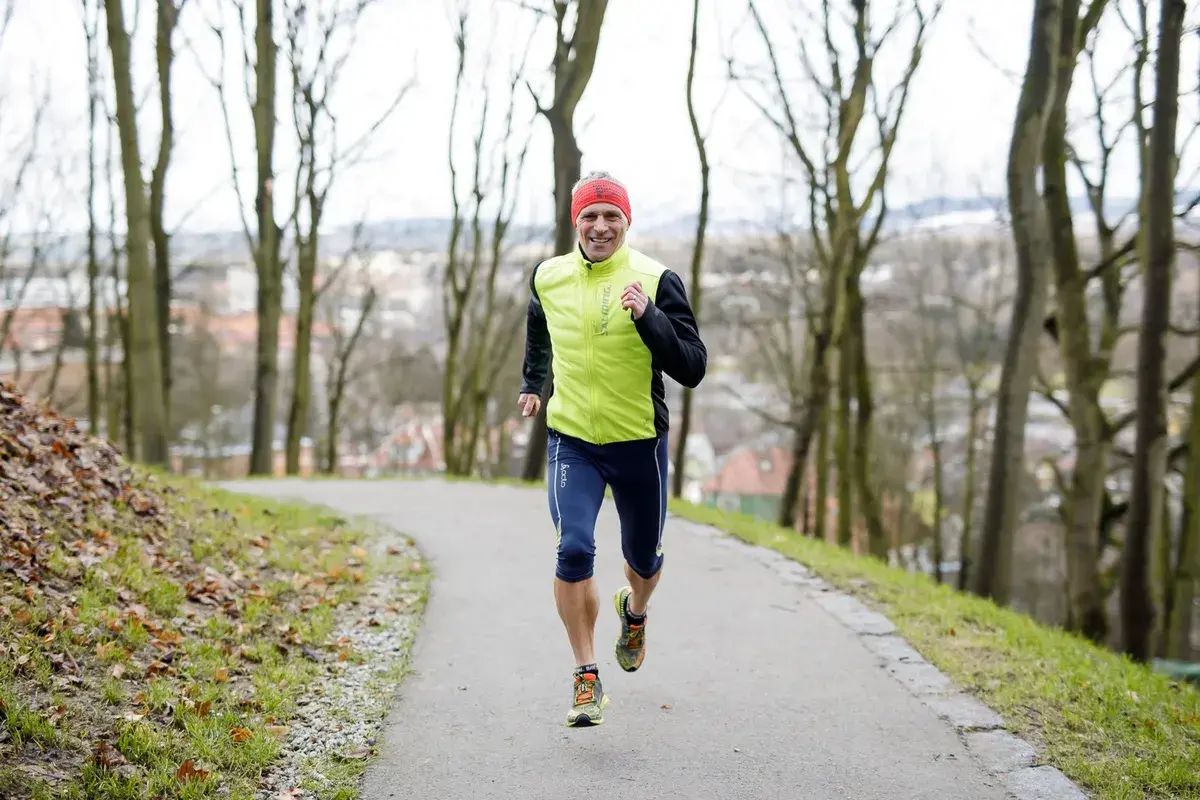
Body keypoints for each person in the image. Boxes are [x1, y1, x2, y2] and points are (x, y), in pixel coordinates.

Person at [518, 170, 707, 727]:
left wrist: (649, 318)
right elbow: (538, 323)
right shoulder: (548, 276)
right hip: (571, 438)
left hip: (638, 443)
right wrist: (534, 382)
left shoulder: (656, 279)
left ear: (627, 221)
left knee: (642, 560)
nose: (600, 226)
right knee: (573, 549)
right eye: (589, 216)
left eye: (611, 216)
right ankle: (586, 677)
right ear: (575, 221)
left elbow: (692, 367)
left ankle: (636, 609)